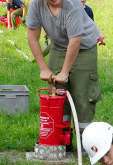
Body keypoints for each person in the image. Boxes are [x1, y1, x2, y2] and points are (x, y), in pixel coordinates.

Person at [26, 0, 102, 151]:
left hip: (84, 48)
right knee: (58, 96)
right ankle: (61, 140)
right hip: (59, 48)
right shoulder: (36, 5)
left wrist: (65, 72)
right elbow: (32, 37)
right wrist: (44, 68)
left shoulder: (72, 4)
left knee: (82, 95)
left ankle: (84, 144)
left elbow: (76, 40)